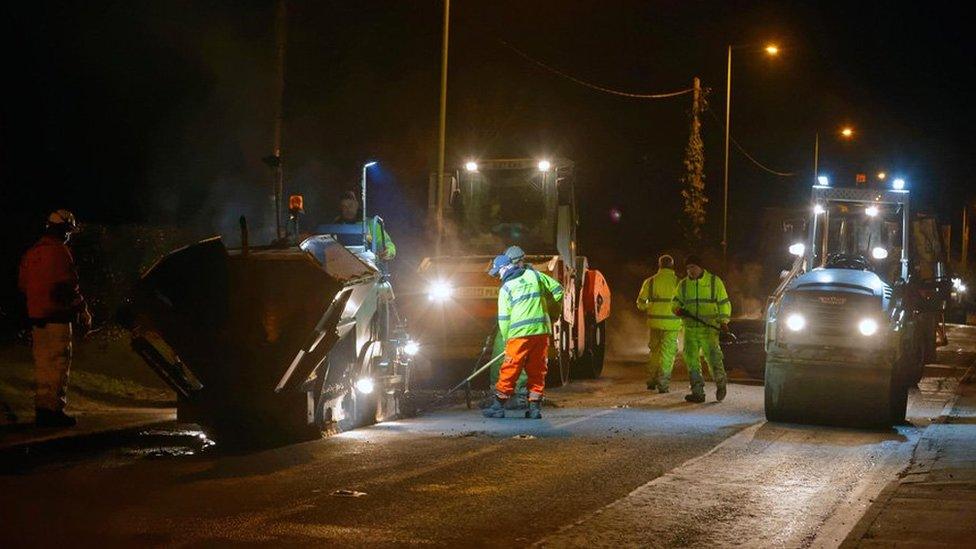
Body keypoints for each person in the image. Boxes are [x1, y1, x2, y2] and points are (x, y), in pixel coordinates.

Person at [18, 210, 92, 427]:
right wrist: (82, 310)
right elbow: (68, 285)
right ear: (62, 230)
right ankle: (54, 412)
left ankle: (42, 409)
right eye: (68, 231)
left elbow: (23, 285)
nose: (69, 235)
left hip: (36, 318)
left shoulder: (32, 252)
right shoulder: (60, 252)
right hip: (57, 318)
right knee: (59, 366)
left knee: (42, 366)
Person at [483, 253, 563, 419]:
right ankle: (534, 409)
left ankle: (498, 407)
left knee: (510, 369)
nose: (498, 276)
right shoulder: (535, 275)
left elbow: (504, 319)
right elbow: (558, 290)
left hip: (519, 335)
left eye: (498, 272)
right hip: (541, 332)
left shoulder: (506, 288)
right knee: (537, 370)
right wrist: (548, 311)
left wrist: (506, 340)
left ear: (505, 268)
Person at [671, 255, 732, 403]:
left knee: (713, 358)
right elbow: (675, 302)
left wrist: (724, 321)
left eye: (692, 267)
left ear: (700, 267)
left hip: (709, 329)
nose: (690, 271)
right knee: (691, 360)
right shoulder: (683, 285)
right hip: (690, 329)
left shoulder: (714, 282)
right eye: (687, 268)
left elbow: (723, 303)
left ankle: (721, 383)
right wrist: (677, 309)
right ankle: (697, 392)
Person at [636, 254, 681, 393]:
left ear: (659, 266)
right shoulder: (679, 282)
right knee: (667, 354)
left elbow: (641, 304)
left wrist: (650, 305)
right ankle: (663, 384)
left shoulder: (650, 282)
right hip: (672, 325)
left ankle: (651, 381)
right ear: (672, 266)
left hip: (655, 324)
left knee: (654, 352)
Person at [335, 191, 396, 260]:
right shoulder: (335, 226)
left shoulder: (371, 224)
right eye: (344, 207)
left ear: (356, 204)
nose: (348, 209)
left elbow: (387, 243)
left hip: (367, 265)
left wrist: (388, 251)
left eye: (350, 205)